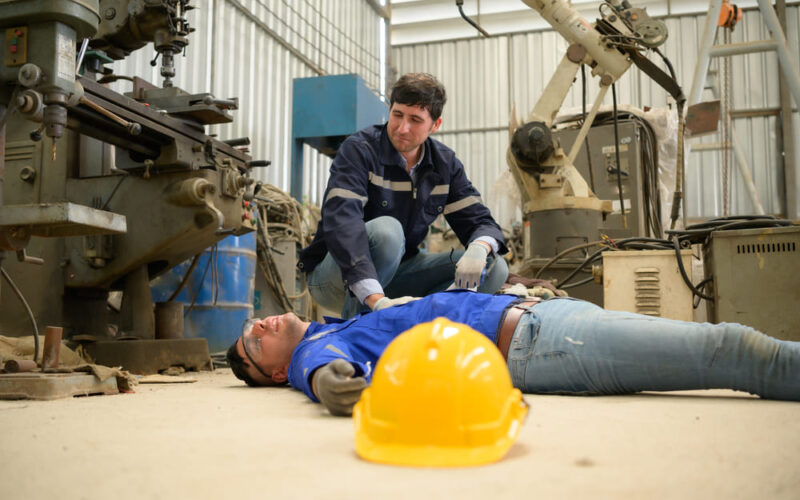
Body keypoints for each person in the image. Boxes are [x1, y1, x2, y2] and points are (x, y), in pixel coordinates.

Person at [226, 291, 800, 416]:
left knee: (726, 346)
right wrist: (330, 385)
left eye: (252, 322)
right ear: (276, 371)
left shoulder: (339, 323)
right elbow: (322, 375)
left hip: (549, 316)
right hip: (543, 345)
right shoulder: (317, 349)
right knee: (730, 348)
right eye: (255, 338)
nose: (261, 322)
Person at [297, 73, 509, 319]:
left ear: (435, 125)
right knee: (387, 232)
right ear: (389, 109)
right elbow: (342, 223)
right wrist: (376, 300)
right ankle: (358, 334)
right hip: (336, 275)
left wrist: (480, 248)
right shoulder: (359, 150)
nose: (402, 128)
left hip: (398, 273)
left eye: (415, 120)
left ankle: (422, 330)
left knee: (494, 267)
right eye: (397, 115)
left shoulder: (444, 165)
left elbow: (481, 222)